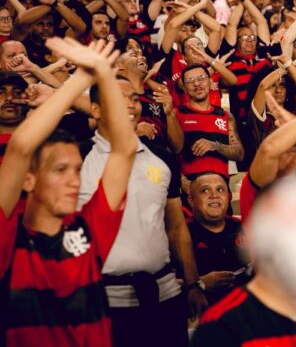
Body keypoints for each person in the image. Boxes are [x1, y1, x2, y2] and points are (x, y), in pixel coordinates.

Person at [0, 38, 136, 346]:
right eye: (60, 170)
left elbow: (125, 149)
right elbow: (20, 148)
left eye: (76, 169)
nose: (74, 180)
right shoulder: (8, 238)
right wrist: (80, 79)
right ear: (28, 180)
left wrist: (103, 72)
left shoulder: (86, 229)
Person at [79, 76, 205, 347]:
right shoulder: (76, 158)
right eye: (118, 98)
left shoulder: (162, 158)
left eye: (134, 99)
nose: (131, 106)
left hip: (165, 295)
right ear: (96, 110)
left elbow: (175, 227)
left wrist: (194, 285)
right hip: (103, 301)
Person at [187, 173, 250, 305]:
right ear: (191, 200)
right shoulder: (181, 236)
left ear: (228, 197)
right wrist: (199, 284)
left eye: (220, 189)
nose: (214, 195)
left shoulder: (243, 227)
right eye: (205, 190)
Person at [177, 64, 244, 180]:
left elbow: (239, 154)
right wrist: (182, 182)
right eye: (190, 81)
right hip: (191, 190)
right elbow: (168, 155)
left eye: (201, 78)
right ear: (184, 89)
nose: (197, 84)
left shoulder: (225, 116)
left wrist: (215, 146)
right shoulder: (177, 114)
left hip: (221, 190)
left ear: (211, 82)